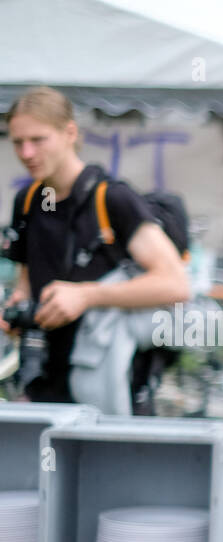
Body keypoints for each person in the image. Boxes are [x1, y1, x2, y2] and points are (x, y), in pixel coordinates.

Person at [1, 86, 190, 407]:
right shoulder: (29, 200)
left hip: (109, 381)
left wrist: (86, 296)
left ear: (70, 133)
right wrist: (16, 312)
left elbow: (175, 284)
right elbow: (27, 285)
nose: (26, 153)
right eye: (18, 142)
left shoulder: (113, 199)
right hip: (43, 379)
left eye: (38, 140)